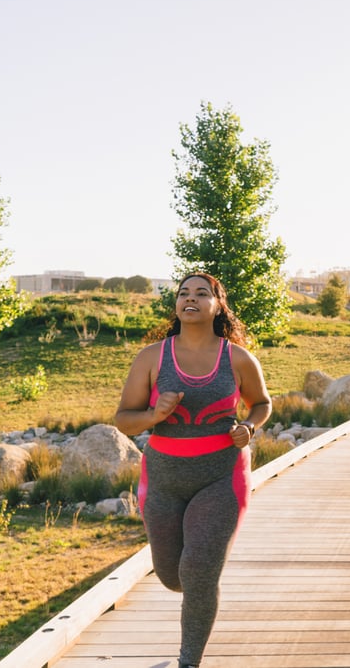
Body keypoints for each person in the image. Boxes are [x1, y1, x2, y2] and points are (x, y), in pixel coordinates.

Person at [115, 272, 272, 668]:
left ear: (218, 306)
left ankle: (189, 661)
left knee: (199, 569)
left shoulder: (237, 358)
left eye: (202, 293)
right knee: (172, 576)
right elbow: (124, 419)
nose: (191, 298)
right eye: (184, 293)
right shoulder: (152, 357)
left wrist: (248, 428)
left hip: (221, 476)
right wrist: (154, 414)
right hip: (164, 478)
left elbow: (262, 403)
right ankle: (201, 581)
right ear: (176, 305)